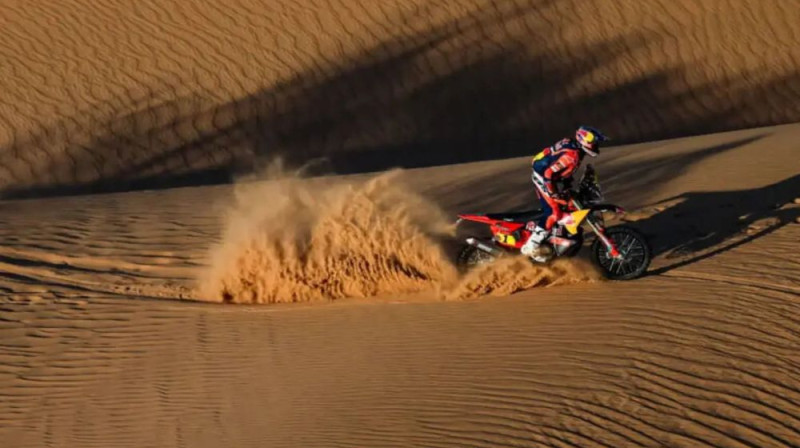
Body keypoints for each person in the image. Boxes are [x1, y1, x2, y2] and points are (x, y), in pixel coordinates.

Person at [520, 125, 608, 260]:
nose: (595, 145)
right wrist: (553, 193)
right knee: (553, 212)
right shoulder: (572, 156)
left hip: (551, 178)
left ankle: (555, 237)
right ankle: (531, 245)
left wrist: (566, 185)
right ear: (583, 140)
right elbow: (548, 173)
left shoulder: (575, 148)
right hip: (543, 178)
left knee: (568, 204)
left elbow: (562, 169)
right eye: (593, 142)